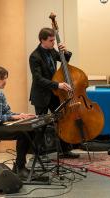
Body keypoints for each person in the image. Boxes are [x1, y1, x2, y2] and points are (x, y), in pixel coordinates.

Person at [29, 27, 79, 158]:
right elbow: (38, 79)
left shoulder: (51, 51)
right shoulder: (34, 57)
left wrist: (65, 51)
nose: (53, 43)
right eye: (51, 41)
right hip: (41, 95)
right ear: (42, 40)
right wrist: (58, 84)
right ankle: (38, 154)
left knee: (61, 120)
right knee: (41, 125)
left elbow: (64, 60)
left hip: (54, 94)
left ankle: (65, 151)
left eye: (53, 40)